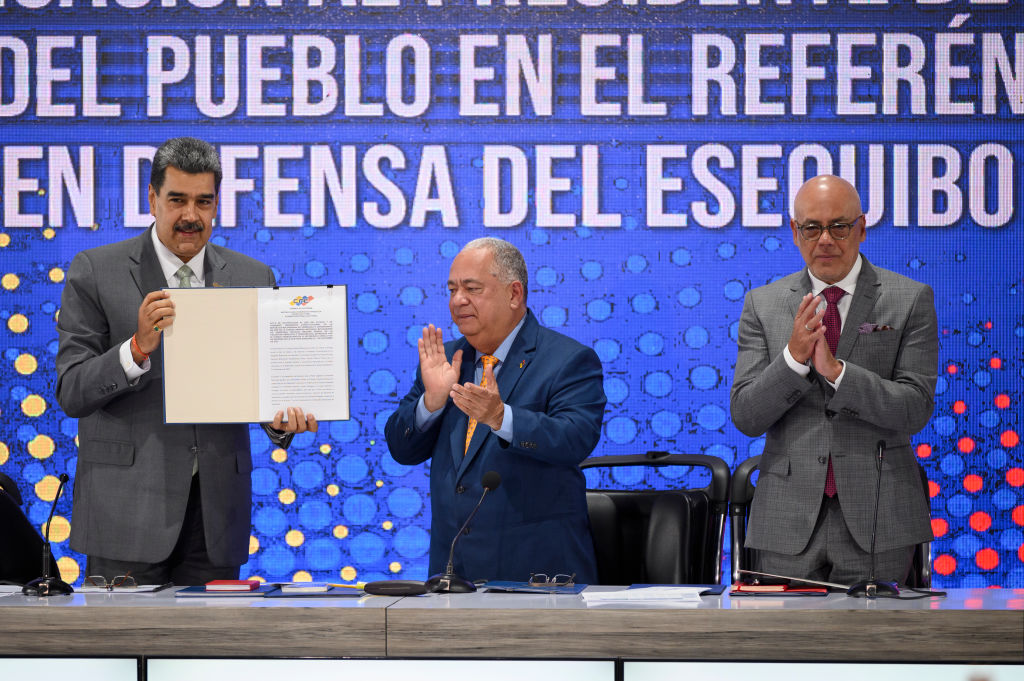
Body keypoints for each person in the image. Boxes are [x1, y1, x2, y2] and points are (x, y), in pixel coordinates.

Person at [56, 137, 316, 585]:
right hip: (125, 513)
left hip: (216, 514)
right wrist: (135, 349)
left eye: (203, 201)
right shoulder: (96, 271)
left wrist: (280, 421)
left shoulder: (254, 278)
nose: (191, 215)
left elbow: (261, 386)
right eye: (177, 200)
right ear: (152, 198)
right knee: (125, 650)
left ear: (217, 205)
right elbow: (72, 390)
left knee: (207, 653)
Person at [730, 174, 937, 585]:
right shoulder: (763, 304)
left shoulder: (909, 298)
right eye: (812, 227)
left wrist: (837, 373)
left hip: (880, 519)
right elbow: (746, 415)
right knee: (782, 647)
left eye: (838, 226)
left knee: (882, 648)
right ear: (795, 232)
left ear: (861, 228)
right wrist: (793, 360)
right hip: (785, 523)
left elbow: (914, 408)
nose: (825, 239)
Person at [385, 238, 605, 583]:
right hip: (453, 576)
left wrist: (502, 418)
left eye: (472, 289)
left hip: (539, 578)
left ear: (514, 294)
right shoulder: (447, 360)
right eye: (452, 289)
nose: (458, 300)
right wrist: (432, 401)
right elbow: (402, 448)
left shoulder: (567, 360)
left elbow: (575, 439)